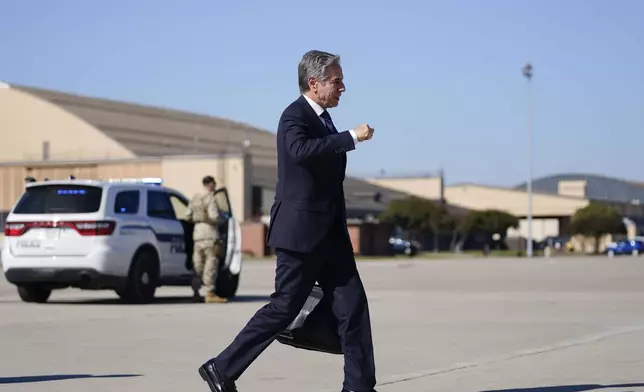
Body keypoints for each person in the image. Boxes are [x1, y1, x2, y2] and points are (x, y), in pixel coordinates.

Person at [198, 50, 377, 392]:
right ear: (314, 83)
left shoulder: (324, 120)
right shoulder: (294, 116)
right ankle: (221, 369)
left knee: (354, 308)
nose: (343, 87)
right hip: (301, 235)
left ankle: (359, 387)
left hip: (331, 237)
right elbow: (301, 152)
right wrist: (350, 138)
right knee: (284, 308)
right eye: (336, 81)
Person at [185, 175, 227, 304]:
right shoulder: (210, 198)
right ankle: (209, 292)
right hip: (209, 234)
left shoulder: (195, 198)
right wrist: (223, 219)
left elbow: (187, 216)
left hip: (197, 235)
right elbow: (214, 216)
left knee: (197, 265)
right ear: (211, 185)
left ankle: (196, 292)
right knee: (211, 263)